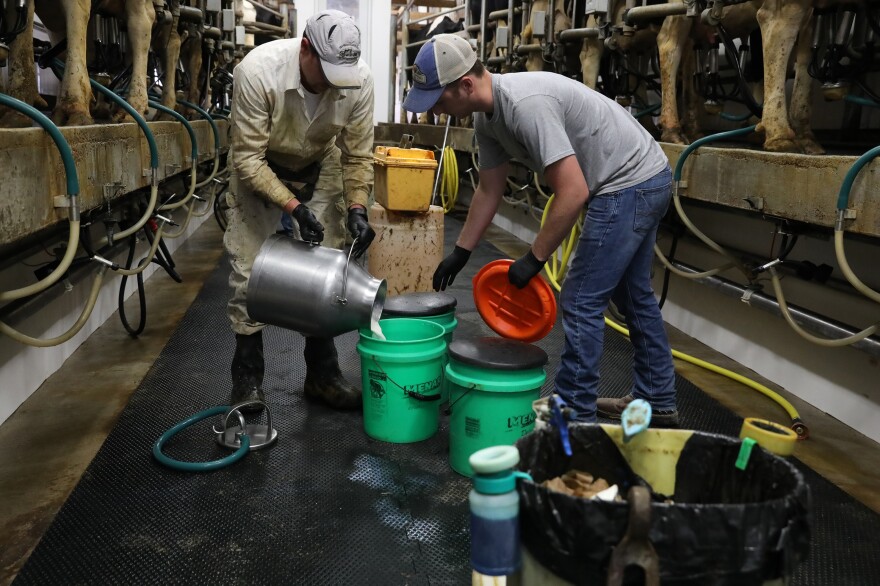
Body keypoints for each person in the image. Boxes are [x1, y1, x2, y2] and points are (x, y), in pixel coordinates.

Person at [404, 34, 679, 426]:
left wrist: (534, 258)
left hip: (630, 183)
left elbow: (573, 192)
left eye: (439, 99)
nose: (438, 110)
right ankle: (659, 402)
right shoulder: (486, 117)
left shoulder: (525, 106)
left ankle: (574, 413)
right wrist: (461, 251)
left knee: (581, 299)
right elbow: (488, 188)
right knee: (634, 298)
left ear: (465, 85)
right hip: (641, 176)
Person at [224, 9, 376, 411]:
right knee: (248, 267)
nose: (330, 85)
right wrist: (293, 207)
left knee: (328, 266)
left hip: (319, 161)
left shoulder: (359, 80)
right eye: (324, 72)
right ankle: (247, 379)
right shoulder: (257, 72)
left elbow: (358, 155)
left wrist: (358, 208)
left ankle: (323, 375)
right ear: (305, 48)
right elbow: (248, 160)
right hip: (259, 164)